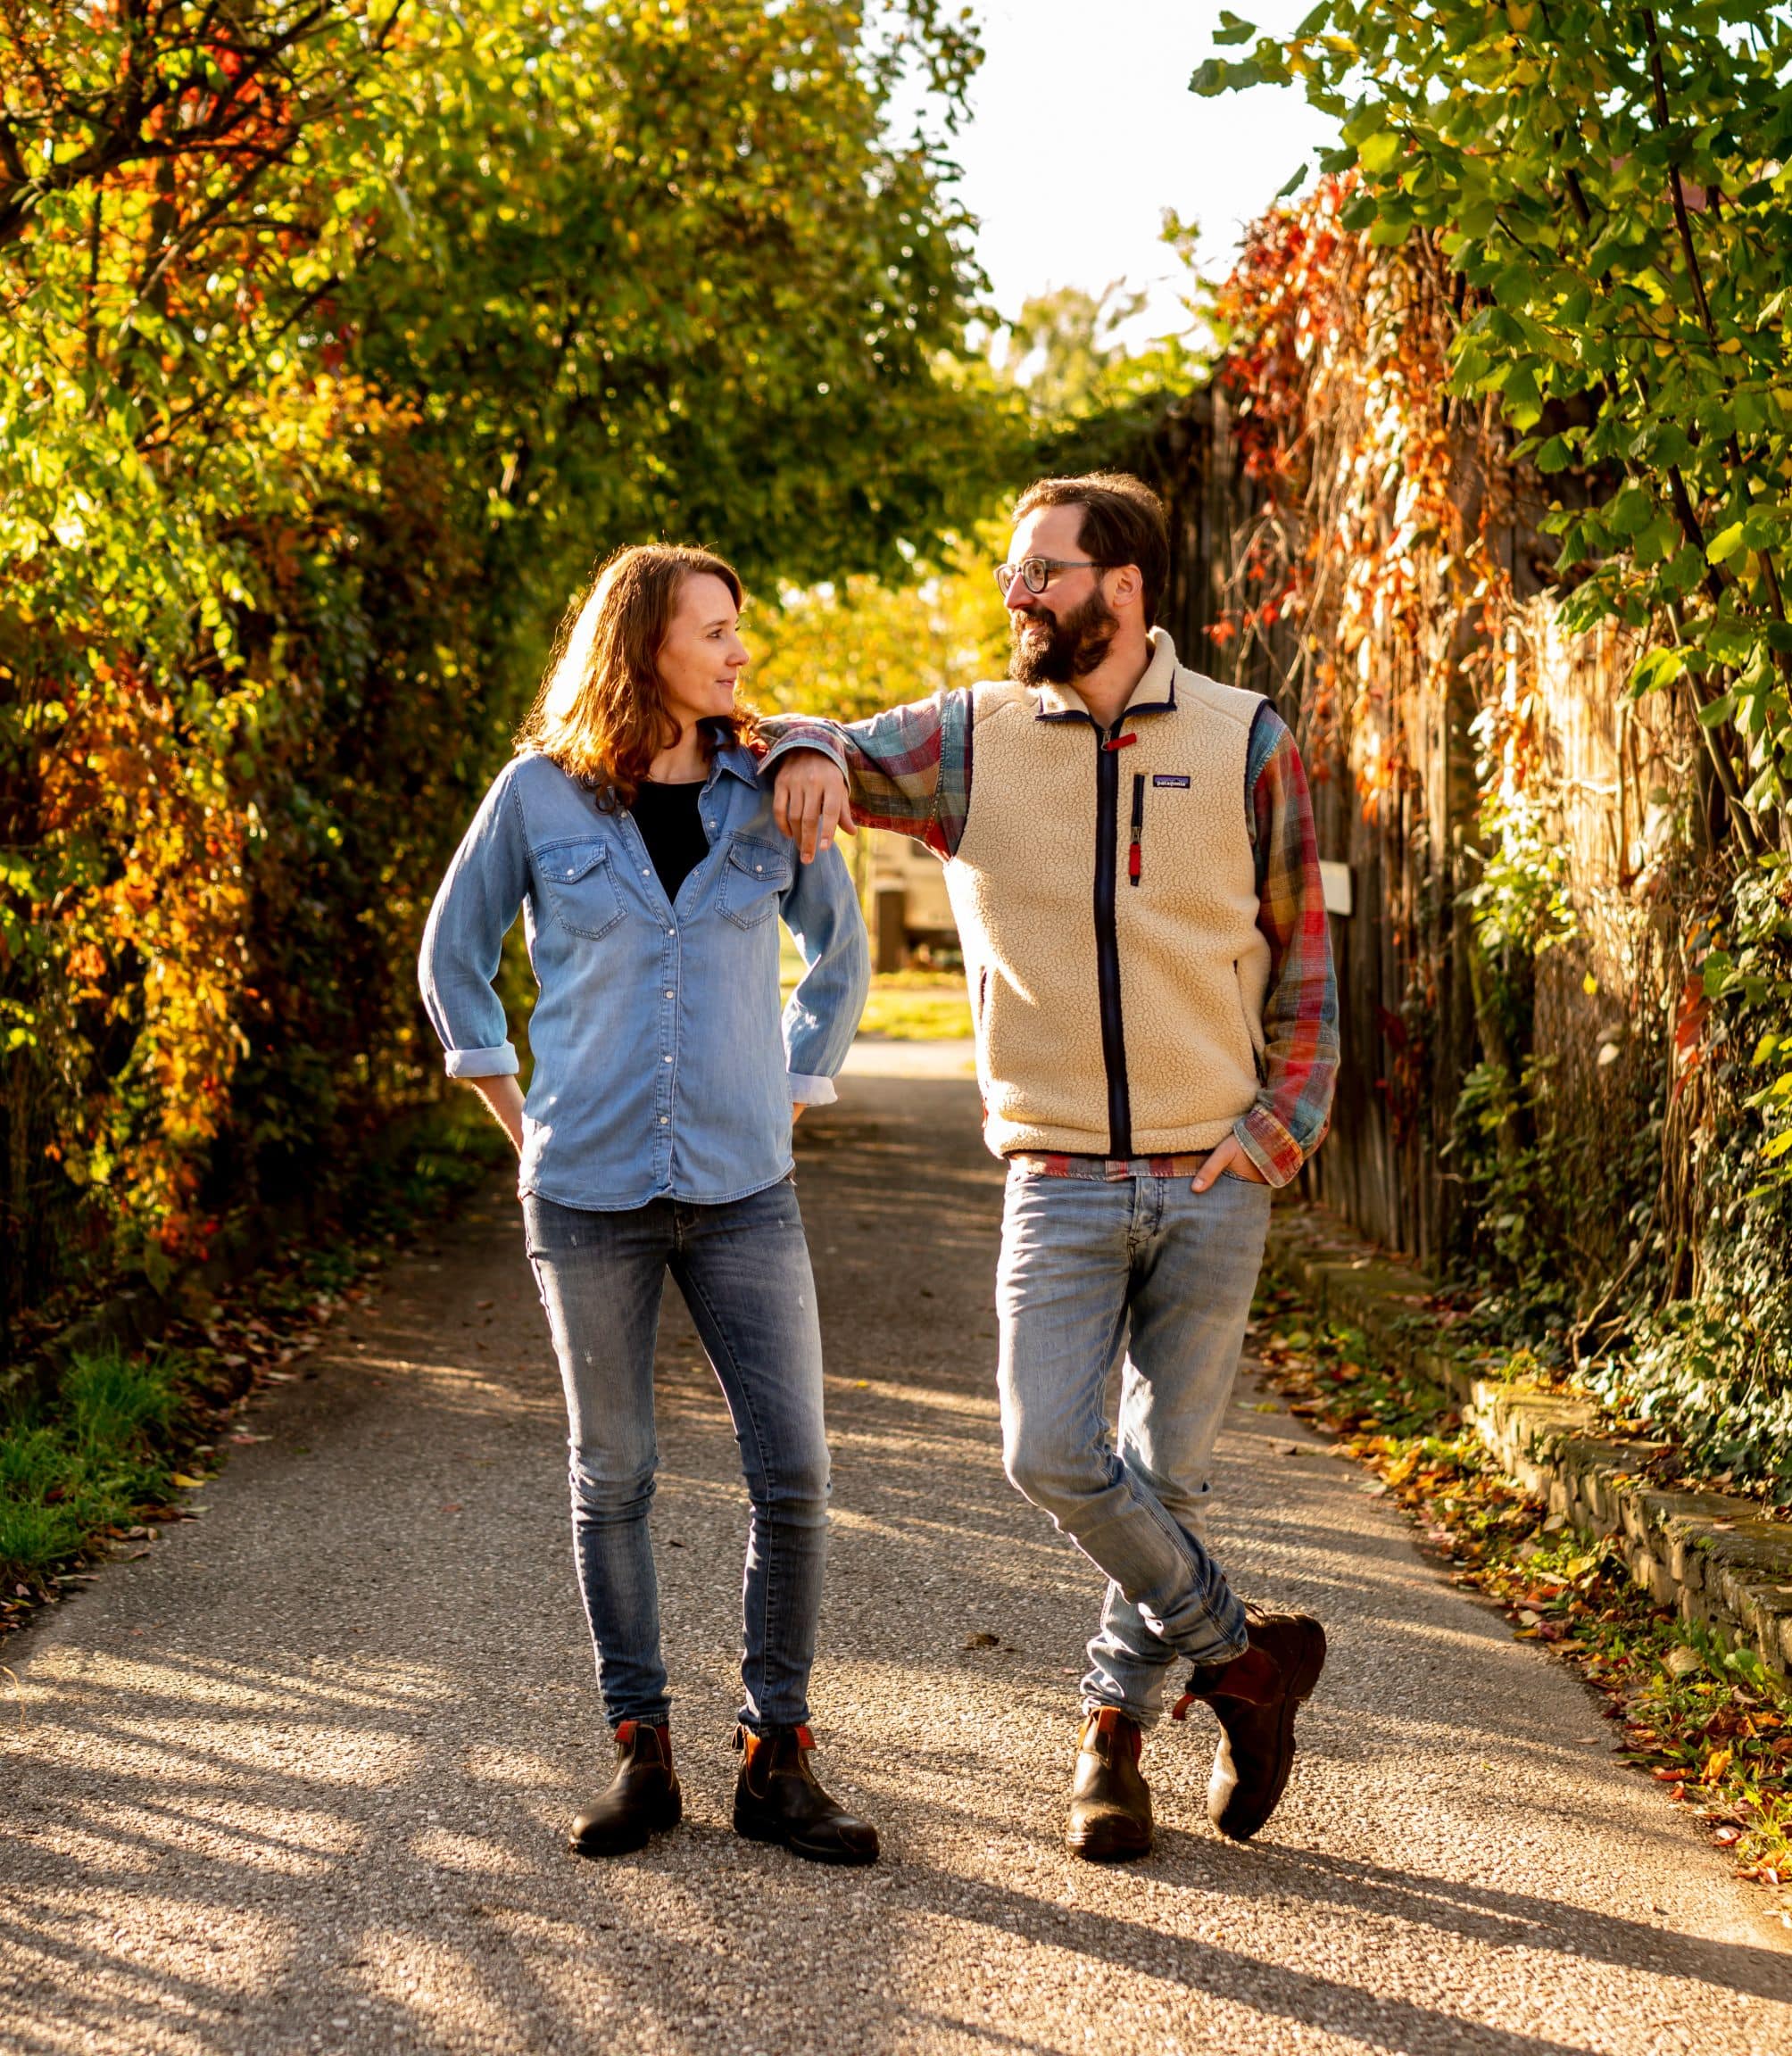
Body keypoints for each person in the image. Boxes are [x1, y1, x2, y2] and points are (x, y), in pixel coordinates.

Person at [763, 474, 1340, 1861]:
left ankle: (1110, 1741)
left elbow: (1308, 962)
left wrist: (1277, 1132)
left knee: (1169, 1474)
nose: (1017, 595)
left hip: (1214, 1175)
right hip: (1058, 1171)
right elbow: (812, 739)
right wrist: (801, 750)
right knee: (1048, 1452)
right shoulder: (973, 739)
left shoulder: (1245, 738)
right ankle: (1245, 1665)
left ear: (1122, 586)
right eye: (1013, 574)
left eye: (1044, 572)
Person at [418, 543, 878, 1866]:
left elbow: (838, 955)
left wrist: (789, 1093)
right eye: (715, 630)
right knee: (613, 1474)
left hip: (746, 1195)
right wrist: (517, 1117)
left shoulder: (771, 786)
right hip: (587, 1197)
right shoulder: (536, 796)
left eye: (738, 628)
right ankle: (642, 1753)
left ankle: (776, 1756)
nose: (739, 651)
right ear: (644, 646)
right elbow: (453, 956)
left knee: (794, 1475)